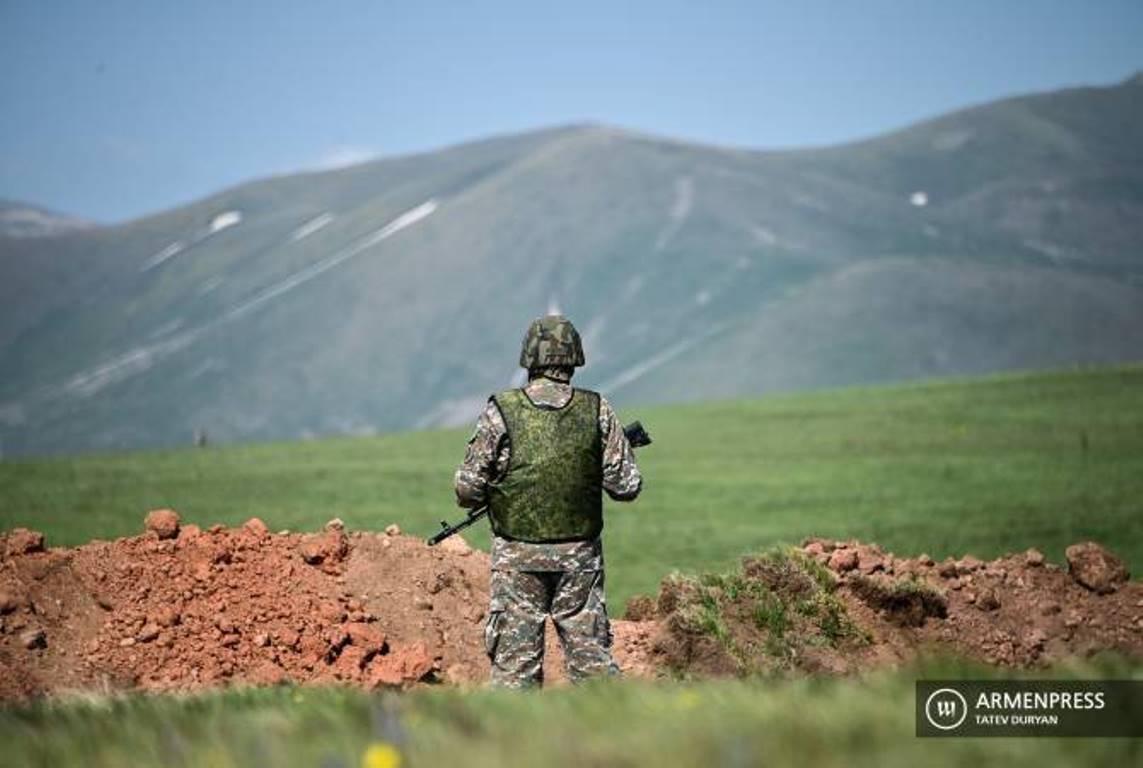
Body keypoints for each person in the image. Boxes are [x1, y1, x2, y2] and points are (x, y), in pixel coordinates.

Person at [454, 314, 643, 688]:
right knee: (592, 666)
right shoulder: (597, 409)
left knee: (514, 670)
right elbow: (626, 486)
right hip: (580, 559)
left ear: (529, 359)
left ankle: (514, 742)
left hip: (517, 559)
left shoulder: (501, 410)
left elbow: (466, 492)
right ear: (574, 359)